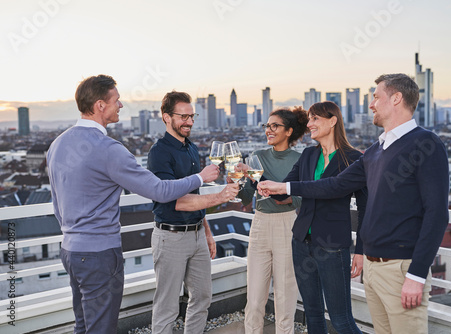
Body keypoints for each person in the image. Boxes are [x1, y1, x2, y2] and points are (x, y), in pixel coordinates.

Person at [258, 73, 450, 334]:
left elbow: (436, 214)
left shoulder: (425, 143)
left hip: (401, 268)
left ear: (396, 98)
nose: (371, 104)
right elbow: (334, 185)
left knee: (343, 321)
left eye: (375, 97)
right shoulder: (375, 151)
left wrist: (416, 275)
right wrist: (282, 186)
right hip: (373, 268)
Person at [47, 75, 219, 334]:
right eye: (116, 100)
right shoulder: (108, 149)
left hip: (70, 251)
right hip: (99, 254)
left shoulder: (58, 144)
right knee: (101, 328)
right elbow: (159, 190)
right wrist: (200, 177)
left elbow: (57, 203)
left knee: (83, 325)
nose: (121, 105)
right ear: (100, 105)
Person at [147, 91, 239, 334]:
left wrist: (206, 232)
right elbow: (177, 202)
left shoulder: (191, 148)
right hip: (171, 237)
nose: (189, 121)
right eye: (183, 116)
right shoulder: (159, 152)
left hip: (197, 234)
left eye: (192, 116)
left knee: (202, 298)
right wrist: (220, 196)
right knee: (167, 307)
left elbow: (196, 197)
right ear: (166, 117)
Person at [283, 101, 366, 333]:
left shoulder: (354, 159)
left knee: (341, 320)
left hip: (332, 247)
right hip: (301, 243)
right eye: (309, 119)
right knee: (312, 313)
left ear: (333, 121)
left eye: (315, 119)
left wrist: (360, 250)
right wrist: (253, 178)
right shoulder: (309, 154)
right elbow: (284, 190)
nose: (309, 124)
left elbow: (364, 209)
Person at [236, 107, 309, 334]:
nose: (268, 130)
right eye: (267, 126)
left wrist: (255, 175)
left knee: (285, 295)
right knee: (255, 296)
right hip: (259, 224)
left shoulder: (300, 159)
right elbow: (247, 198)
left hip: (287, 226)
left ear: (288, 131)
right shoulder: (256, 156)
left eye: (274, 126)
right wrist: (237, 182)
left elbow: (292, 199)